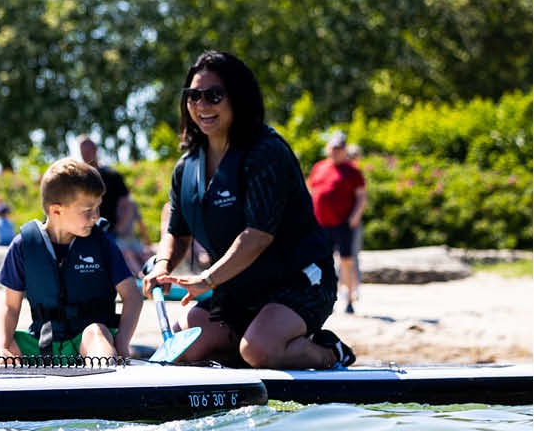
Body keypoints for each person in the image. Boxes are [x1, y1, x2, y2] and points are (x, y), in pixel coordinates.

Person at [145, 51, 354, 369]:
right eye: (193, 96)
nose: (202, 105)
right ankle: (255, 350)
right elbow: (176, 232)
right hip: (237, 291)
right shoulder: (185, 167)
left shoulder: (266, 152)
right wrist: (161, 267)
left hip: (299, 282)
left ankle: (328, 351)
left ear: (237, 98)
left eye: (214, 96)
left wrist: (208, 278)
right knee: (185, 348)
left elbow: (257, 236)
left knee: (259, 351)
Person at [0, 158, 141, 359]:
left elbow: (133, 296)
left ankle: (105, 380)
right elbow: (10, 306)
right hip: (43, 343)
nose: (96, 216)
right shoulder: (23, 246)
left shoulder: (102, 243)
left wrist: (121, 342)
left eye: (98, 208)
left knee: (96, 332)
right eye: (88, 210)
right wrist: (2, 348)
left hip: (87, 343)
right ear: (56, 210)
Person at [306, 132, 367, 315]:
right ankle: (323, 299)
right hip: (321, 224)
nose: (335, 151)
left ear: (344, 150)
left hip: (343, 224)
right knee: (321, 263)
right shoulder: (319, 167)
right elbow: (310, 190)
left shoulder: (352, 171)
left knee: (347, 261)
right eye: (333, 148)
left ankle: (349, 300)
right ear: (328, 149)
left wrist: (354, 218)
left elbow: (361, 197)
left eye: (339, 148)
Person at [77, 136, 150, 272]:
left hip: (114, 230)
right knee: (123, 254)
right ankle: (139, 278)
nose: (85, 153)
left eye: (88, 149)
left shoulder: (112, 175)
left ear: (95, 149)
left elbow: (127, 203)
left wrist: (120, 229)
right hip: (90, 232)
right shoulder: (79, 178)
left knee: (140, 253)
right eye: (83, 150)